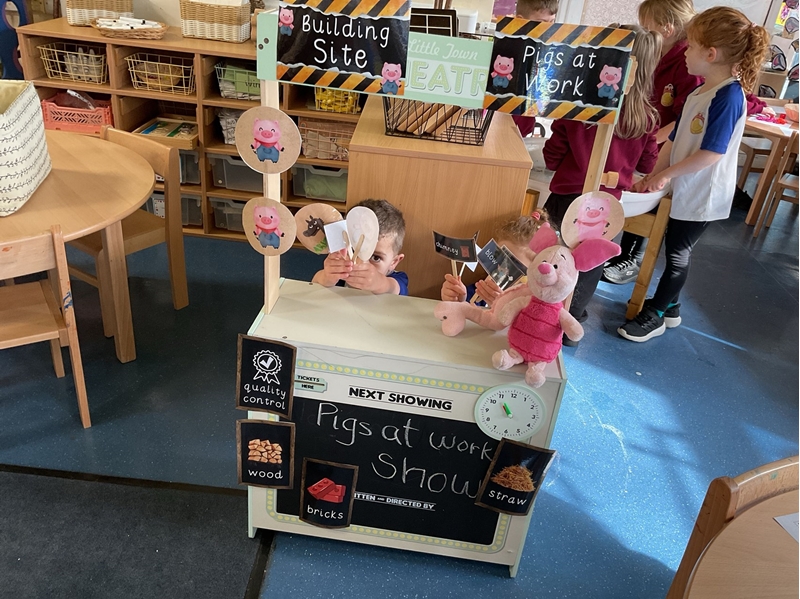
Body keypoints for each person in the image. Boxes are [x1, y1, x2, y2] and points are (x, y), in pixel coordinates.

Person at [618, 7, 770, 342]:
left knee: (676, 255)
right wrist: (652, 175)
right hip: (682, 184)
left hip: (703, 191)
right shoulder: (699, 92)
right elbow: (674, 140)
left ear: (711, 54)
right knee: (669, 244)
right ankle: (671, 307)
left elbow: (712, 153)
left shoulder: (729, 96)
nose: (684, 51)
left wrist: (665, 175)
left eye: (690, 46)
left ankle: (656, 313)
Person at [542, 24, 661, 344]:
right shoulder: (645, 117)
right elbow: (646, 165)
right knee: (590, 261)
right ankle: (573, 318)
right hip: (607, 205)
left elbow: (552, 156)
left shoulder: (578, 107)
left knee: (553, 254)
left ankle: (544, 314)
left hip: (567, 197)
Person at [441, 210, 550, 306]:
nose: (501, 270)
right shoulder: (481, 289)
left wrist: (503, 307)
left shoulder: (531, 307)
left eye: (513, 267)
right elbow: (466, 310)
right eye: (498, 257)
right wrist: (458, 299)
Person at [312, 199, 408, 295]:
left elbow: (394, 288)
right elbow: (313, 284)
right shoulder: (342, 276)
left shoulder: (398, 279)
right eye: (353, 251)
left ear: (393, 262)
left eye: (375, 258)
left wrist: (380, 283)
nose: (360, 262)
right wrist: (326, 277)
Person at [512, 0, 558, 137]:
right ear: (521, 20)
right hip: (500, 122)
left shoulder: (549, 52)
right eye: (541, 22)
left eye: (552, 22)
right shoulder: (507, 47)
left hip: (523, 128)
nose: (548, 28)